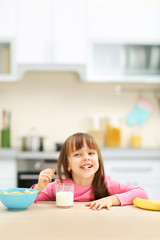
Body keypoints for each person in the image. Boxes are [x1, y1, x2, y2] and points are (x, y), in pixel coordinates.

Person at [32, 132, 148, 210]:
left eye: (91, 153)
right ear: (68, 165)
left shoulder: (106, 184)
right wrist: (39, 188)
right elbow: (31, 202)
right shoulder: (60, 186)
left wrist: (111, 200)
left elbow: (142, 193)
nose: (86, 158)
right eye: (78, 154)